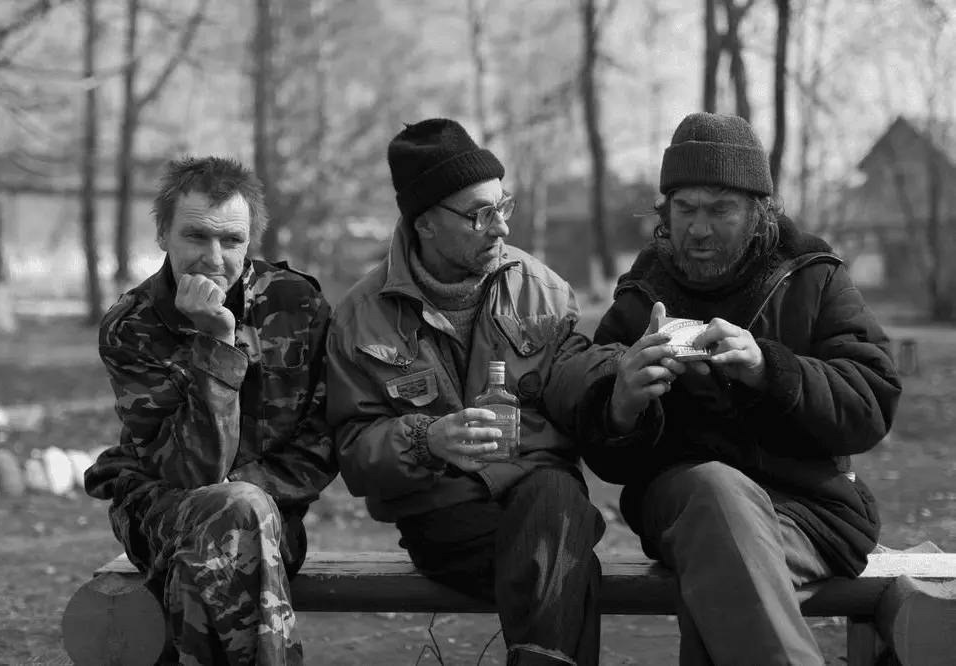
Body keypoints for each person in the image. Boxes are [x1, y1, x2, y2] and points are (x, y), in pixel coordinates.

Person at [325, 118, 678, 666]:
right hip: (445, 515)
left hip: (541, 490)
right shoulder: (360, 316)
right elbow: (353, 449)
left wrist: (619, 379)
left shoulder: (540, 288)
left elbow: (571, 373)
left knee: (556, 503)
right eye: (479, 215)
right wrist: (425, 439)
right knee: (566, 553)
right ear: (425, 225)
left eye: (503, 207)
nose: (500, 229)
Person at [584, 112, 903, 665]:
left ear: (759, 212)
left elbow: (870, 404)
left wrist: (768, 369)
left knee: (720, 579)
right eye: (684, 209)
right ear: (665, 212)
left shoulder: (812, 276)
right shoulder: (640, 298)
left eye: (720, 209)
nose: (699, 229)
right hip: (685, 504)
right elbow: (601, 452)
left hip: (810, 513)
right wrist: (622, 404)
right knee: (715, 495)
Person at [84, 156, 337, 666]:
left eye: (232, 241)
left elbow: (324, 439)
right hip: (158, 510)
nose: (214, 257)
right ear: (163, 235)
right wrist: (217, 344)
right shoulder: (131, 327)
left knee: (228, 532)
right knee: (234, 516)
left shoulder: (297, 305)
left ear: (251, 242)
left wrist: (246, 492)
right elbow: (187, 471)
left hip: (274, 516)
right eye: (196, 236)